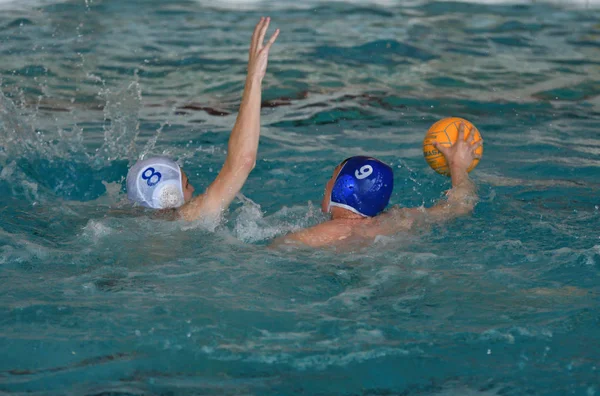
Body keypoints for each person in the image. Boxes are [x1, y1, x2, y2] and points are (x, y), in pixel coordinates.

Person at [126, 17, 279, 222]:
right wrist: (254, 77)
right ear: (169, 195)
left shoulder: (127, 219)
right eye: (186, 185)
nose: (194, 189)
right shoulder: (185, 217)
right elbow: (243, 161)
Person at [272, 122, 482, 248]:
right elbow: (461, 205)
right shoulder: (400, 219)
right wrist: (457, 165)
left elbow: (275, 250)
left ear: (344, 187)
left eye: (332, 179)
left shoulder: (325, 233)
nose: (326, 185)